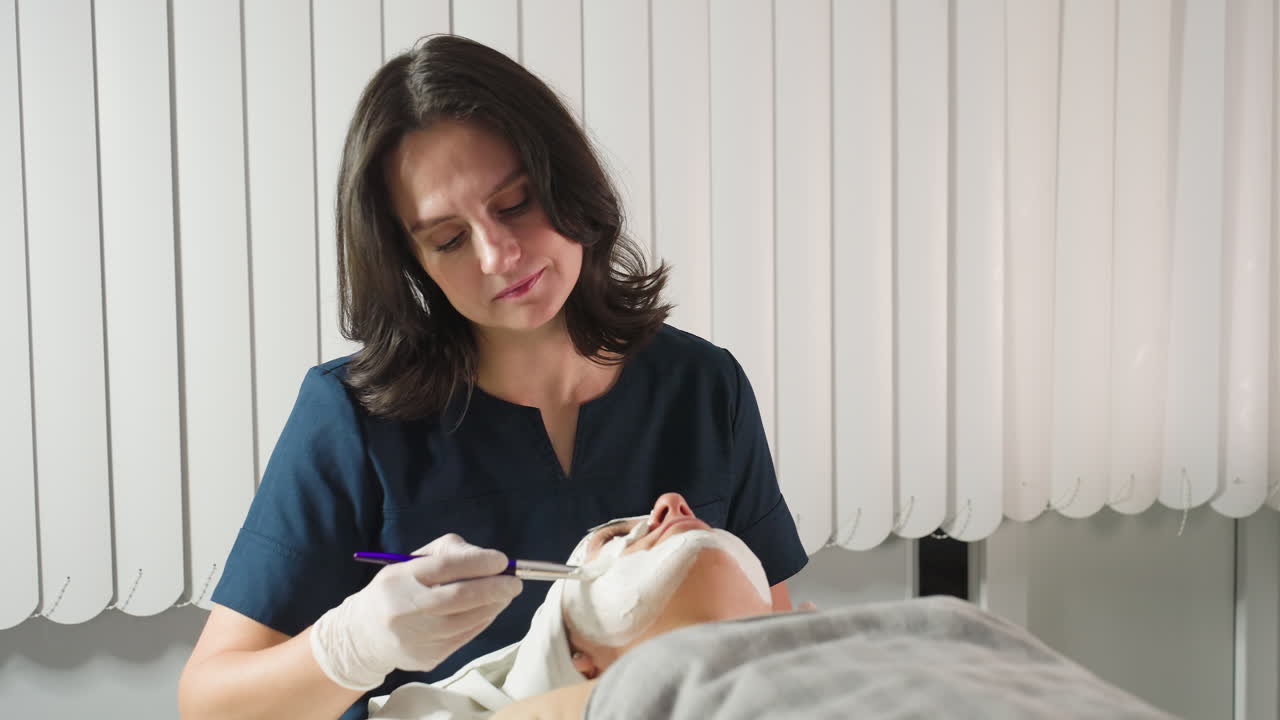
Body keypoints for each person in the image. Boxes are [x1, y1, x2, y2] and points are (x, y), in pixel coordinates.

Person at [177, 34, 808, 720]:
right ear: (410, 262)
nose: (498, 254)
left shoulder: (703, 389)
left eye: (515, 203)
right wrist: (354, 643)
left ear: (568, 181)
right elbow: (209, 705)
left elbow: (760, 650)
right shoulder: (351, 419)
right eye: (448, 239)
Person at [369, 493, 1173, 720]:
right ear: (584, 658)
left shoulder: (930, 625)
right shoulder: (601, 698)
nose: (669, 504)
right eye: (617, 538)